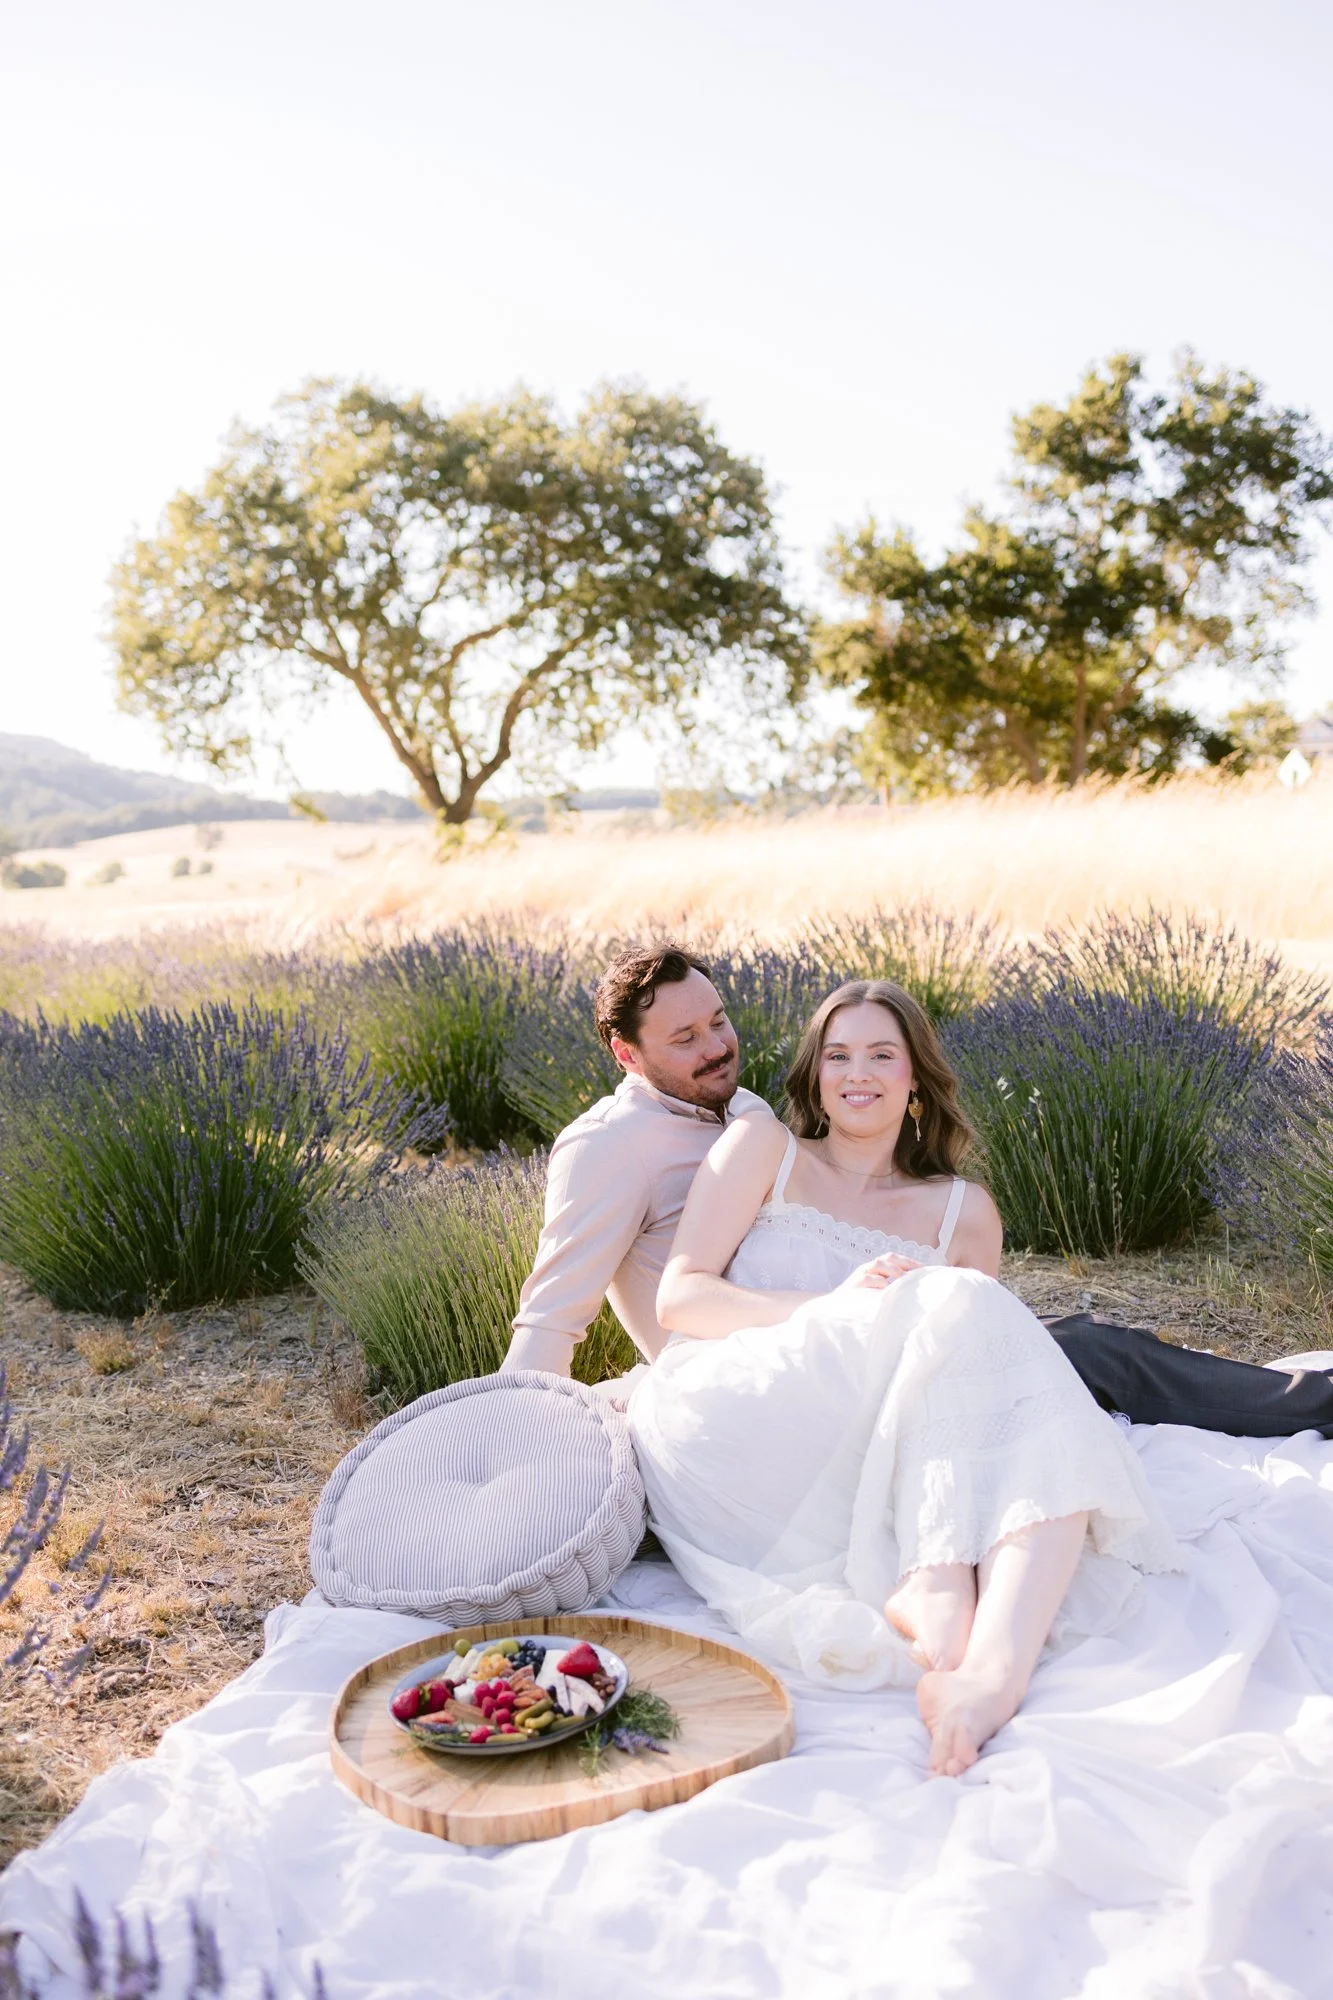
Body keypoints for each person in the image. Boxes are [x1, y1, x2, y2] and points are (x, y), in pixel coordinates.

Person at [624, 976, 1187, 1774]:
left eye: (881, 1055)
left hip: (868, 1453)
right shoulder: (763, 1150)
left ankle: (988, 1666)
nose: (858, 1073)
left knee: (988, 1354)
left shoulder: (962, 1212)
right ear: (815, 1074)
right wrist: (839, 1307)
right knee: (953, 1302)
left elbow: (975, 1393)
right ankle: (936, 1578)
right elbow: (681, 1300)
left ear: (914, 1077)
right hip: (737, 1416)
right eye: (838, 1054)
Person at [503, 944, 1333, 1440]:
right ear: (625, 1054)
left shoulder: (750, 1116)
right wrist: (512, 1444)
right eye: (685, 1038)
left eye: (718, 1020)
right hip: (746, 1389)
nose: (718, 1046)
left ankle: (1297, 1402)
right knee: (1081, 1347)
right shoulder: (607, 1148)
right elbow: (552, 1319)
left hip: (872, 1369)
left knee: (1076, 1351)